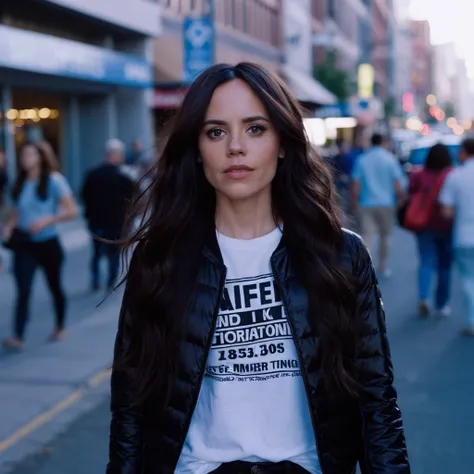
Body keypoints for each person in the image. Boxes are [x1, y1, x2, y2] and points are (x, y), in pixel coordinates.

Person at [107, 63, 410, 474]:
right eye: (216, 132)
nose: (236, 147)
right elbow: (130, 401)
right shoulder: (162, 258)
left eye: (255, 129)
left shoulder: (340, 254)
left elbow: (376, 398)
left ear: (282, 143)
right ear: (196, 148)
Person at [2, 141, 77, 350]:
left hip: (48, 244)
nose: (26, 159)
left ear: (41, 157)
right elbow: (17, 211)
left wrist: (46, 221)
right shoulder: (19, 182)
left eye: (30, 155)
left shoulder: (54, 180)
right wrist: (9, 226)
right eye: (23, 155)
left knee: (55, 286)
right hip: (24, 244)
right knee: (23, 290)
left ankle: (60, 326)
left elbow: (72, 211)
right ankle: (18, 335)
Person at [81, 139, 136, 293]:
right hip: (116, 221)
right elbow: (133, 197)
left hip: (96, 220)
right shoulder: (123, 176)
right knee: (114, 253)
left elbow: (84, 195)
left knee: (97, 253)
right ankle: (110, 281)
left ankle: (95, 280)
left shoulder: (93, 174)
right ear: (117, 155)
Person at [351, 133, 405, 278]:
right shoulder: (390, 159)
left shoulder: (362, 159)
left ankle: (367, 268)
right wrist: (401, 199)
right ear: (383, 142)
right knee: (385, 237)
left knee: (367, 237)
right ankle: (383, 266)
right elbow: (397, 183)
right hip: (386, 203)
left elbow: (355, 183)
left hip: (366, 203)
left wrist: (354, 202)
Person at [408, 144, 453, 317]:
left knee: (426, 260)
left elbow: (411, 192)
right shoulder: (451, 175)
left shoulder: (419, 175)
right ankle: (441, 304)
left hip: (424, 223)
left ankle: (423, 298)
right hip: (446, 224)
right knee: (444, 265)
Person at [440, 137, 474, 336]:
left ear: (464, 152)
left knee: (468, 278)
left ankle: (471, 319)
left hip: (464, 235)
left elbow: (447, 211)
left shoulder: (456, 176)